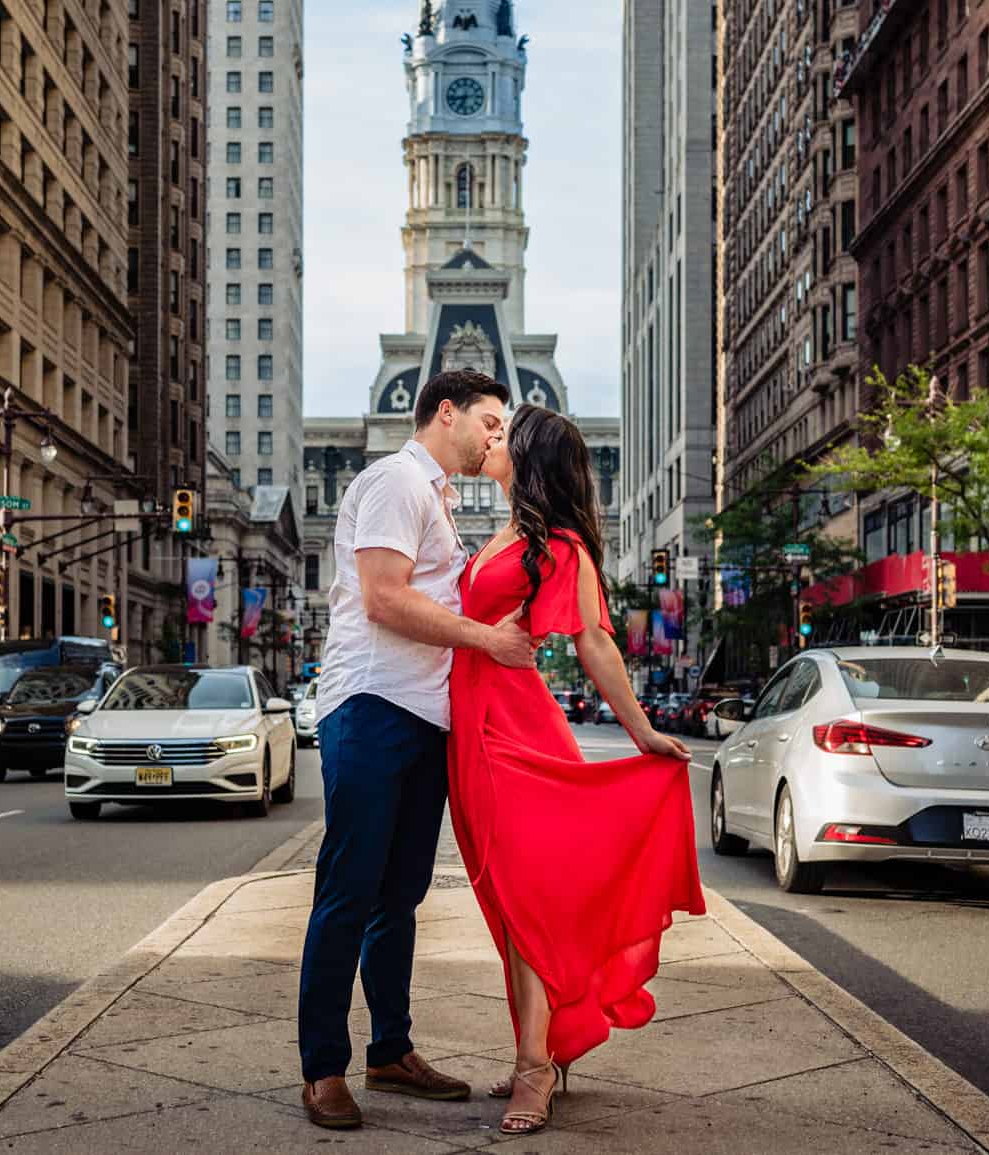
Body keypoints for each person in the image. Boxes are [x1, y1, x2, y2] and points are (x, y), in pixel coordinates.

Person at [450, 402, 704, 1135]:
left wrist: (643, 728)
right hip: (471, 734)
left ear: (528, 457)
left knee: (527, 904)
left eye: (504, 433)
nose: (491, 439)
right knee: (505, 904)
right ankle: (544, 1046)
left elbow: (594, 641)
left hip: (514, 737)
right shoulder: (504, 533)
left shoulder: (556, 542)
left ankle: (535, 1066)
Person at [295, 370, 539, 1131]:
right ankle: (323, 1070)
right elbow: (383, 597)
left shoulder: (433, 495)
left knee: (399, 894)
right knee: (349, 887)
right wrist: (487, 639)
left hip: (420, 716)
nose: (496, 436)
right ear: (446, 412)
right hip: (371, 706)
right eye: (489, 421)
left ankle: (390, 1051)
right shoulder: (397, 480)